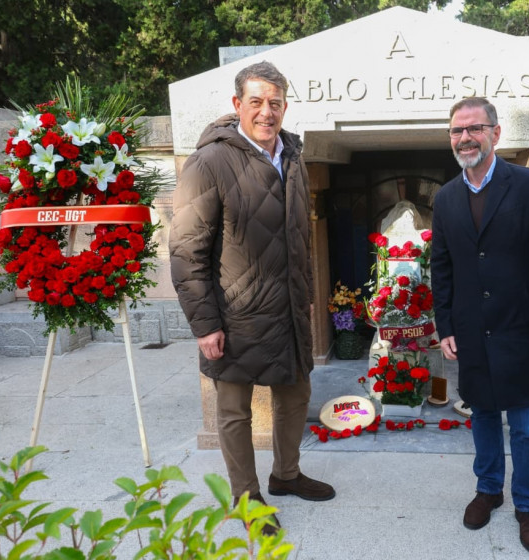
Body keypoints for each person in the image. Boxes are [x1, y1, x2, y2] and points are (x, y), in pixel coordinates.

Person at [169, 61, 335, 535]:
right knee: (235, 411)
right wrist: (204, 326)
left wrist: (303, 295)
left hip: (286, 310)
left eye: (276, 103)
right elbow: (185, 250)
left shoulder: (294, 155)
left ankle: (286, 475)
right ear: (237, 105)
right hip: (233, 315)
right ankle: (248, 500)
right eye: (257, 102)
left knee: (296, 394)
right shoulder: (209, 162)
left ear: (285, 106)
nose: (267, 112)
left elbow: (299, 236)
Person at [430, 97, 529, 555]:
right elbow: (443, 267)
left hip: (523, 331)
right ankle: (489, 489)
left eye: (474, 128)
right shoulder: (446, 197)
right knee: (483, 416)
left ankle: (528, 507)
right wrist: (445, 324)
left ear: (495, 133)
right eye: (456, 130)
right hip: (471, 332)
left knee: (527, 426)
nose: (465, 137)